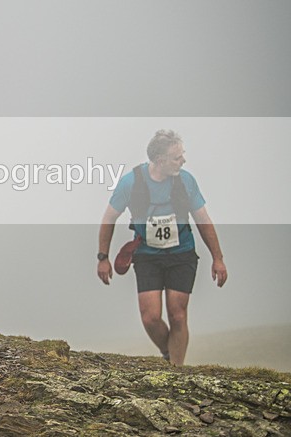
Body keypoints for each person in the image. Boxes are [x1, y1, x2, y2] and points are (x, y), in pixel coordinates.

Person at [96, 130, 228, 365]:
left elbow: (203, 220)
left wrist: (217, 258)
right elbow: (108, 218)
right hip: (147, 255)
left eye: (182, 155)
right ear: (160, 160)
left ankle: (176, 371)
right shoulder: (131, 183)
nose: (183, 161)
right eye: (177, 157)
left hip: (181, 254)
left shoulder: (186, 180)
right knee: (150, 318)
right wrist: (103, 257)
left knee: (178, 315)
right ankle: (169, 354)